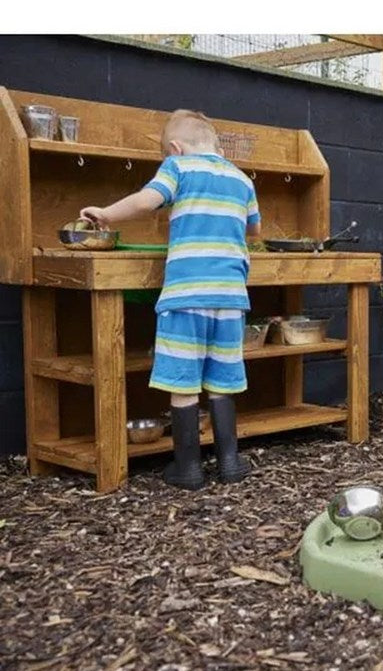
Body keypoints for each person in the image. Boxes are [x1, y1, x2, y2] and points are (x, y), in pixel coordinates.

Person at [80, 109, 260, 490]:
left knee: (184, 384)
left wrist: (106, 214)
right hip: (230, 299)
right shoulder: (243, 179)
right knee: (223, 382)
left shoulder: (177, 168)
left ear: (175, 149)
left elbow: (147, 202)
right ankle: (229, 463)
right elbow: (254, 229)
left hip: (185, 297)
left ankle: (188, 469)